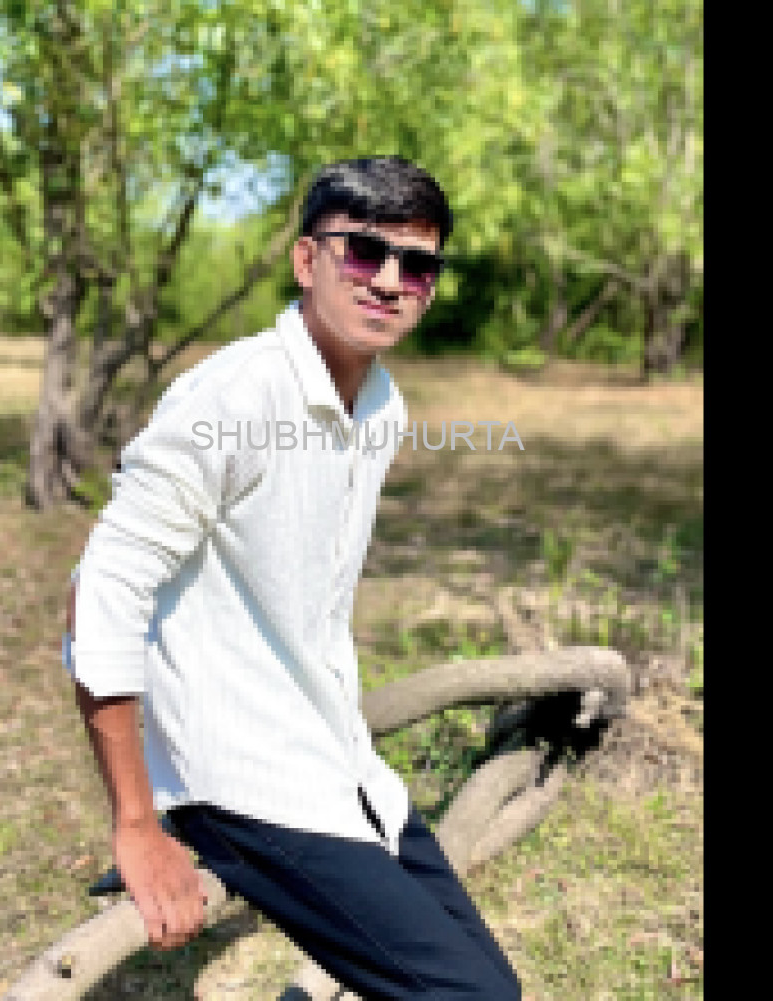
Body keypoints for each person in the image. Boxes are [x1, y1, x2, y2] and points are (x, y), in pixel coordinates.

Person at [64, 156, 522, 998]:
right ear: (307, 260)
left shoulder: (380, 405)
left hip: (333, 756)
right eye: (364, 252)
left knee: (494, 990)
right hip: (238, 778)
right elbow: (100, 593)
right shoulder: (231, 400)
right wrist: (137, 822)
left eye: (416, 265)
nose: (388, 281)